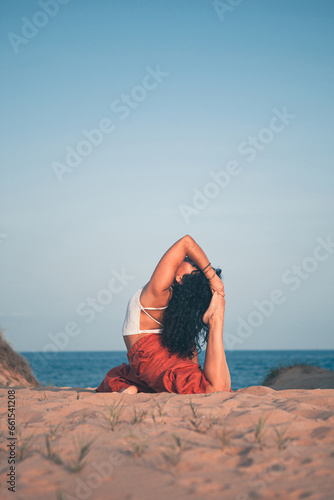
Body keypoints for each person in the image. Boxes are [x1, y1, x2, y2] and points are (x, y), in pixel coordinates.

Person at [96, 235, 231, 394]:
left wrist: (213, 277)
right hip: (151, 358)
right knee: (117, 376)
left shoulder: (159, 292)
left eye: (193, 264)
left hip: (149, 357)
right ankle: (130, 386)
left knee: (216, 389)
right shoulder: (172, 303)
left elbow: (186, 242)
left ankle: (216, 318)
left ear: (180, 279)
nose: (189, 258)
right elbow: (191, 355)